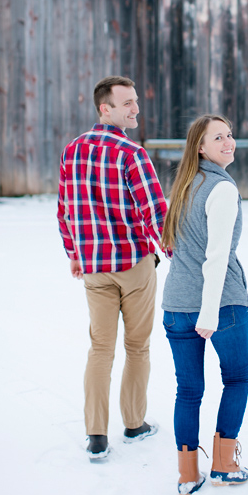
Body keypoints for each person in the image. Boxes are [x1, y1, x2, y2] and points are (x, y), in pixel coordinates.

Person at [56, 75, 165, 461]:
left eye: (135, 101)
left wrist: (74, 251)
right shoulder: (132, 155)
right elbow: (155, 211)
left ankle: (96, 437)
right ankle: (134, 425)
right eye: (127, 103)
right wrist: (174, 251)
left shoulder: (72, 150)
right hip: (134, 265)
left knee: (100, 349)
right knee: (137, 347)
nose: (136, 108)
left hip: (94, 269)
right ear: (106, 108)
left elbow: (65, 208)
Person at [160, 114, 248, 495]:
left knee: (188, 390)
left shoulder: (184, 185)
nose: (229, 142)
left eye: (229, 135)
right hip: (221, 306)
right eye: (219, 137)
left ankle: (186, 475)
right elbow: (215, 258)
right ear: (201, 147)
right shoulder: (222, 189)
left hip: (175, 306)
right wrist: (210, 313)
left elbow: (174, 246)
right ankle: (224, 464)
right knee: (236, 379)